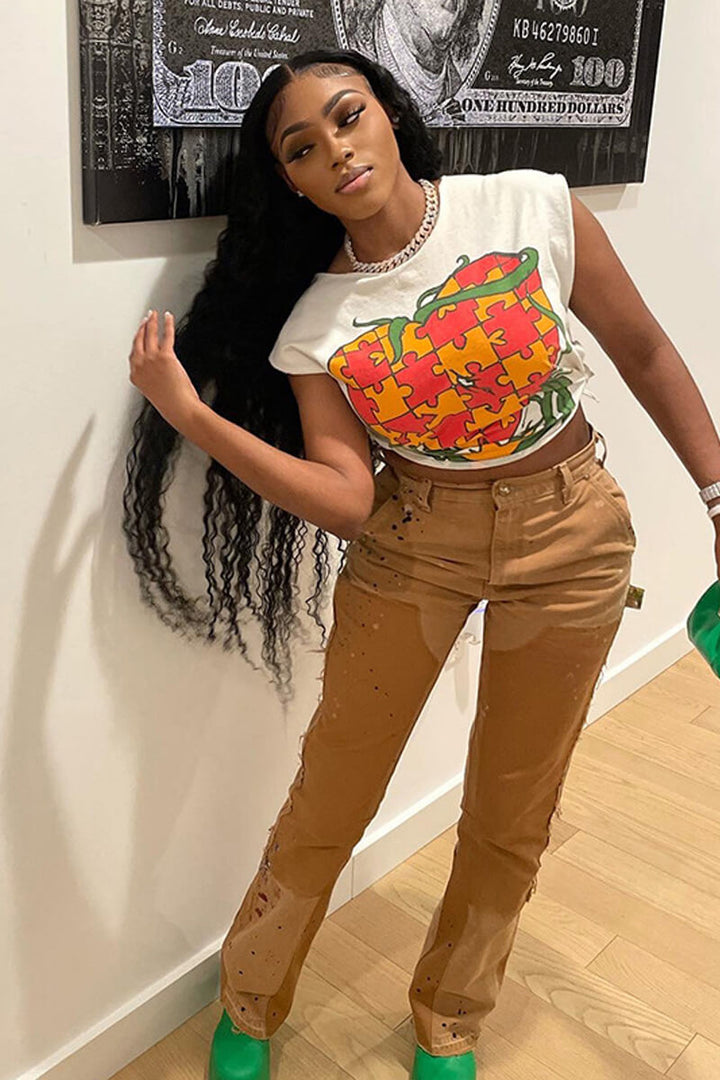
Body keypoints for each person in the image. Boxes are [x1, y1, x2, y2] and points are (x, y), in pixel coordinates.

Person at [124, 46, 720, 1080]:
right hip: (414, 544)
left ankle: (450, 1018)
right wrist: (191, 416)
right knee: (332, 795)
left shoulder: (532, 208)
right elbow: (347, 499)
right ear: (292, 182)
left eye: (347, 115)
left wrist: (717, 493)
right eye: (301, 148)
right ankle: (251, 1005)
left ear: (390, 113)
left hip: (571, 534)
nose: (335, 149)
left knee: (512, 809)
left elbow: (647, 352)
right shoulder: (317, 323)